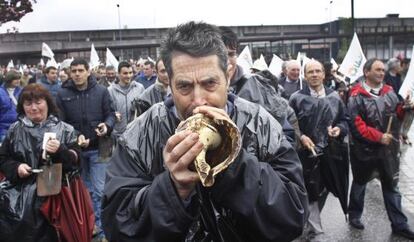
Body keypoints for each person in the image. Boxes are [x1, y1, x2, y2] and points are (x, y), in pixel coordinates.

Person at [102, 21, 308, 242]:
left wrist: (234, 164)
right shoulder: (139, 134)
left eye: (210, 83)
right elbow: (118, 226)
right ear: (169, 83)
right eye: (184, 86)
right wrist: (174, 189)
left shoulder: (260, 124)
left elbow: (292, 216)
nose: (198, 100)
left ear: (228, 76)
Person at [0, 84, 94, 242]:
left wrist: (60, 151)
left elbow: (75, 163)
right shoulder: (15, 130)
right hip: (20, 199)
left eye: (38, 102)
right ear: (22, 107)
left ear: (48, 104)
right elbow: (3, 158)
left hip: (58, 199)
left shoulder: (65, 130)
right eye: (28, 104)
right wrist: (16, 168)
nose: (34, 108)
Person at [347, 58, 414, 240]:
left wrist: (405, 108)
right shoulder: (355, 96)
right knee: (360, 183)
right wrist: (378, 136)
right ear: (366, 72)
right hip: (364, 152)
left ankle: (399, 224)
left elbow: (397, 115)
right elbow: (356, 125)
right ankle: (354, 214)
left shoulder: (390, 92)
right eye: (377, 69)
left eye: (383, 70)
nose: (381, 73)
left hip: (388, 151)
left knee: (392, 187)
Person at [56, 58, 115, 240]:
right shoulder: (62, 93)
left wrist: (107, 125)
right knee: (84, 191)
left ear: (89, 71)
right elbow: (60, 121)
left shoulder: (101, 91)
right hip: (76, 151)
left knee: (100, 190)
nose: (77, 74)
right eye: (73, 71)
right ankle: (90, 226)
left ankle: (104, 229)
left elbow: (111, 113)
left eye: (81, 70)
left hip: (99, 148)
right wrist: (74, 135)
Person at [289, 60, 349, 241]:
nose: (314, 75)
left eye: (318, 71)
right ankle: (317, 231)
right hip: (306, 154)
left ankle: (311, 221)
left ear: (324, 74)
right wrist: (301, 137)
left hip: (330, 153)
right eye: (310, 72)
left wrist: (339, 130)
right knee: (310, 189)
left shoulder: (334, 97)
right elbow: (290, 125)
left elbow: (344, 120)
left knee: (325, 189)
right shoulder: (296, 98)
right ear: (305, 76)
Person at [219, 26, 299, 146]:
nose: (227, 61)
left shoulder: (259, 87)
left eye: (231, 54)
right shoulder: (195, 92)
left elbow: (286, 136)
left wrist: (255, 159)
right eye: (221, 55)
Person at [108, 61, 144, 138]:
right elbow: (107, 111)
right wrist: (113, 115)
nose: (128, 76)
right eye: (125, 73)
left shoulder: (139, 88)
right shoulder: (110, 91)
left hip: (136, 133)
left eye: (130, 72)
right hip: (118, 135)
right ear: (118, 74)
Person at [0, 71, 21, 143]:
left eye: (19, 78)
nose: (18, 80)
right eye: (15, 78)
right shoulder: (0, 92)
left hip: (20, 128)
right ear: (9, 79)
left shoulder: (22, 91)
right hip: (4, 129)